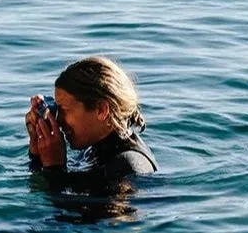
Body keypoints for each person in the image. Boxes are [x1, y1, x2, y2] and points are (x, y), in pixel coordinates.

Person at [25, 56, 157, 193]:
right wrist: (37, 151)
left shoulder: (128, 169)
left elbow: (70, 212)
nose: (58, 120)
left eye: (64, 110)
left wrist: (54, 168)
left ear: (101, 110)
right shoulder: (92, 148)